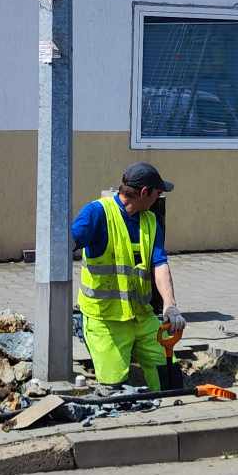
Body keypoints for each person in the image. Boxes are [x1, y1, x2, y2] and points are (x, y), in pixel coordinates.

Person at [69, 162, 184, 390]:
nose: (158, 198)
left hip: (142, 317)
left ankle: (170, 413)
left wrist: (170, 305)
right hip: (106, 321)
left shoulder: (151, 221)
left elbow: (159, 264)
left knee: (169, 374)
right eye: (157, 193)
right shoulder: (97, 213)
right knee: (115, 388)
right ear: (144, 192)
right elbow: (64, 244)